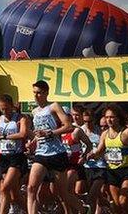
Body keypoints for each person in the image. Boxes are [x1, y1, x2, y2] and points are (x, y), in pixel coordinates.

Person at [26, 81, 82, 214]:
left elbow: (68, 126)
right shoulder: (35, 111)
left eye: (39, 92)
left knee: (62, 194)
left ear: (46, 93)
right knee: (31, 189)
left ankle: (83, 209)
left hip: (57, 153)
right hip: (41, 153)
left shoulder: (54, 107)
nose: (36, 95)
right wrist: (33, 141)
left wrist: (50, 133)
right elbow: (39, 132)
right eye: (34, 92)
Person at [89, 105, 128, 214]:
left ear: (118, 118)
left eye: (112, 117)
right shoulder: (105, 134)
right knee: (116, 205)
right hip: (112, 171)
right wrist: (92, 154)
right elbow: (100, 151)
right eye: (107, 117)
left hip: (127, 170)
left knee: (123, 200)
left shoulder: (127, 132)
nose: (109, 120)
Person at [0, 94, 28, 214]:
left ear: (12, 106)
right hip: (2, 158)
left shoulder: (20, 118)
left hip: (16, 157)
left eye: (7, 108)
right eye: (2, 109)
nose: (5, 111)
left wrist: (4, 136)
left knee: (4, 188)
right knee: (13, 194)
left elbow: (22, 134)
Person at [79, 109, 108, 214]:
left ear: (94, 120)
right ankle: (111, 206)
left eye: (90, 121)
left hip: (100, 167)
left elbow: (105, 148)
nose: (87, 124)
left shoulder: (100, 132)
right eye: (85, 121)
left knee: (91, 196)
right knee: (93, 196)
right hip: (86, 167)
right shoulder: (80, 130)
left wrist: (96, 154)